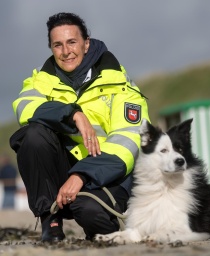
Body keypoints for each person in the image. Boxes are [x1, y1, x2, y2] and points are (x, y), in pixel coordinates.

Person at [9, 12, 150, 242]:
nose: (66, 51)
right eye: (58, 45)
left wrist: (82, 175)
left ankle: (103, 221)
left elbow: (129, 142)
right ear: (52, 48)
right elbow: (24, 108)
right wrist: (73, 114)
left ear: (86, 44)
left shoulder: (120, 84)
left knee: (89, 213)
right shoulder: (40, 80)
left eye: (72, 42)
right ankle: (50, 220)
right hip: (65, 173)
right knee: (33, 134)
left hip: (108, 174)